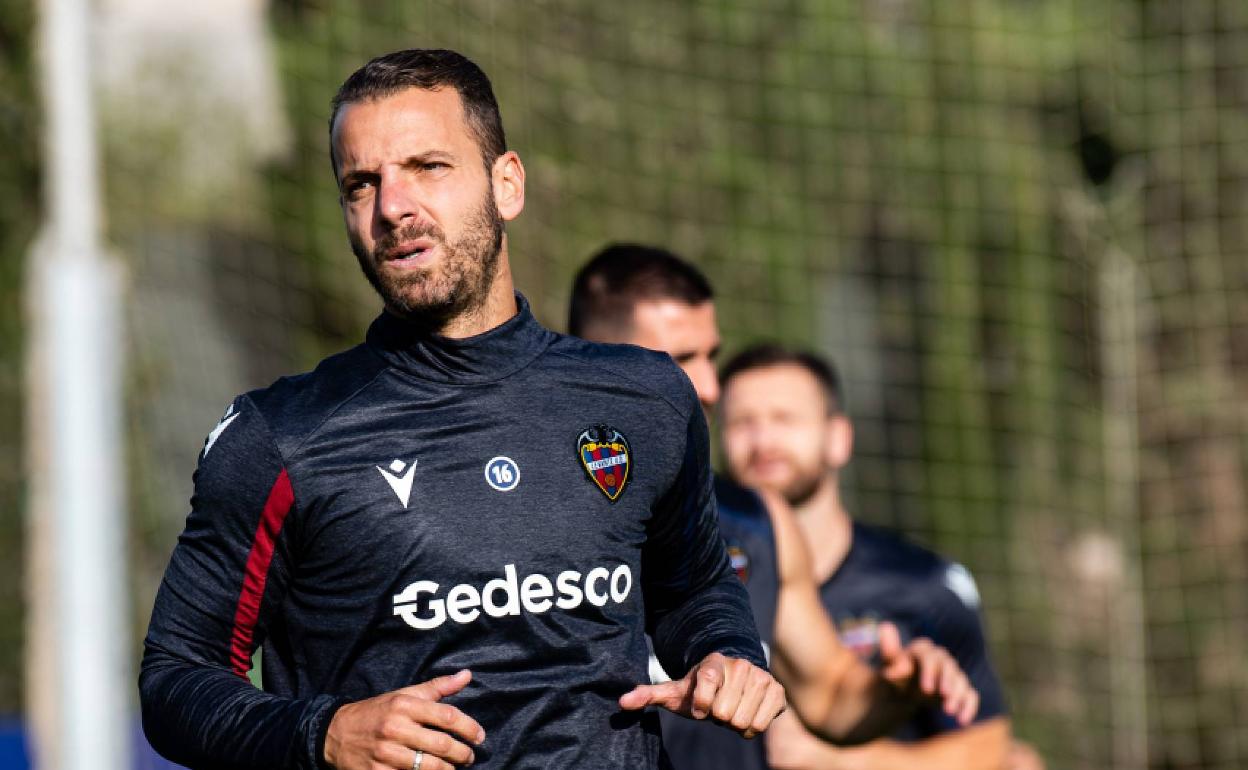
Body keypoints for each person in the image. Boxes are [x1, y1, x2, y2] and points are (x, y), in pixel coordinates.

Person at [139, 49, 787, 770]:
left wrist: (727, 654)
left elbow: (695, 587)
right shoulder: (281, 435)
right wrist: (322, 734)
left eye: (428, 167)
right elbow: (176, 678)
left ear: (506, 184)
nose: (393, 207)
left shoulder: (646, 397)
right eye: (362, 183)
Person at [569, 244, 980, 770]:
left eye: (712, 356)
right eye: (681, 360)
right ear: (597, 363)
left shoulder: (758, 520)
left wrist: (899, 691)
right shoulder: (514, 505)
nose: (713, 387)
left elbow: (832, 694)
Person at [718, 343, 1014, 770]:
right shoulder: (702, 577)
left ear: (839, 438)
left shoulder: (925, 584)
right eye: (742, 423)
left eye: (785, 419)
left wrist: (838, 759)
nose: (763, 442)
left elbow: (989, 750)